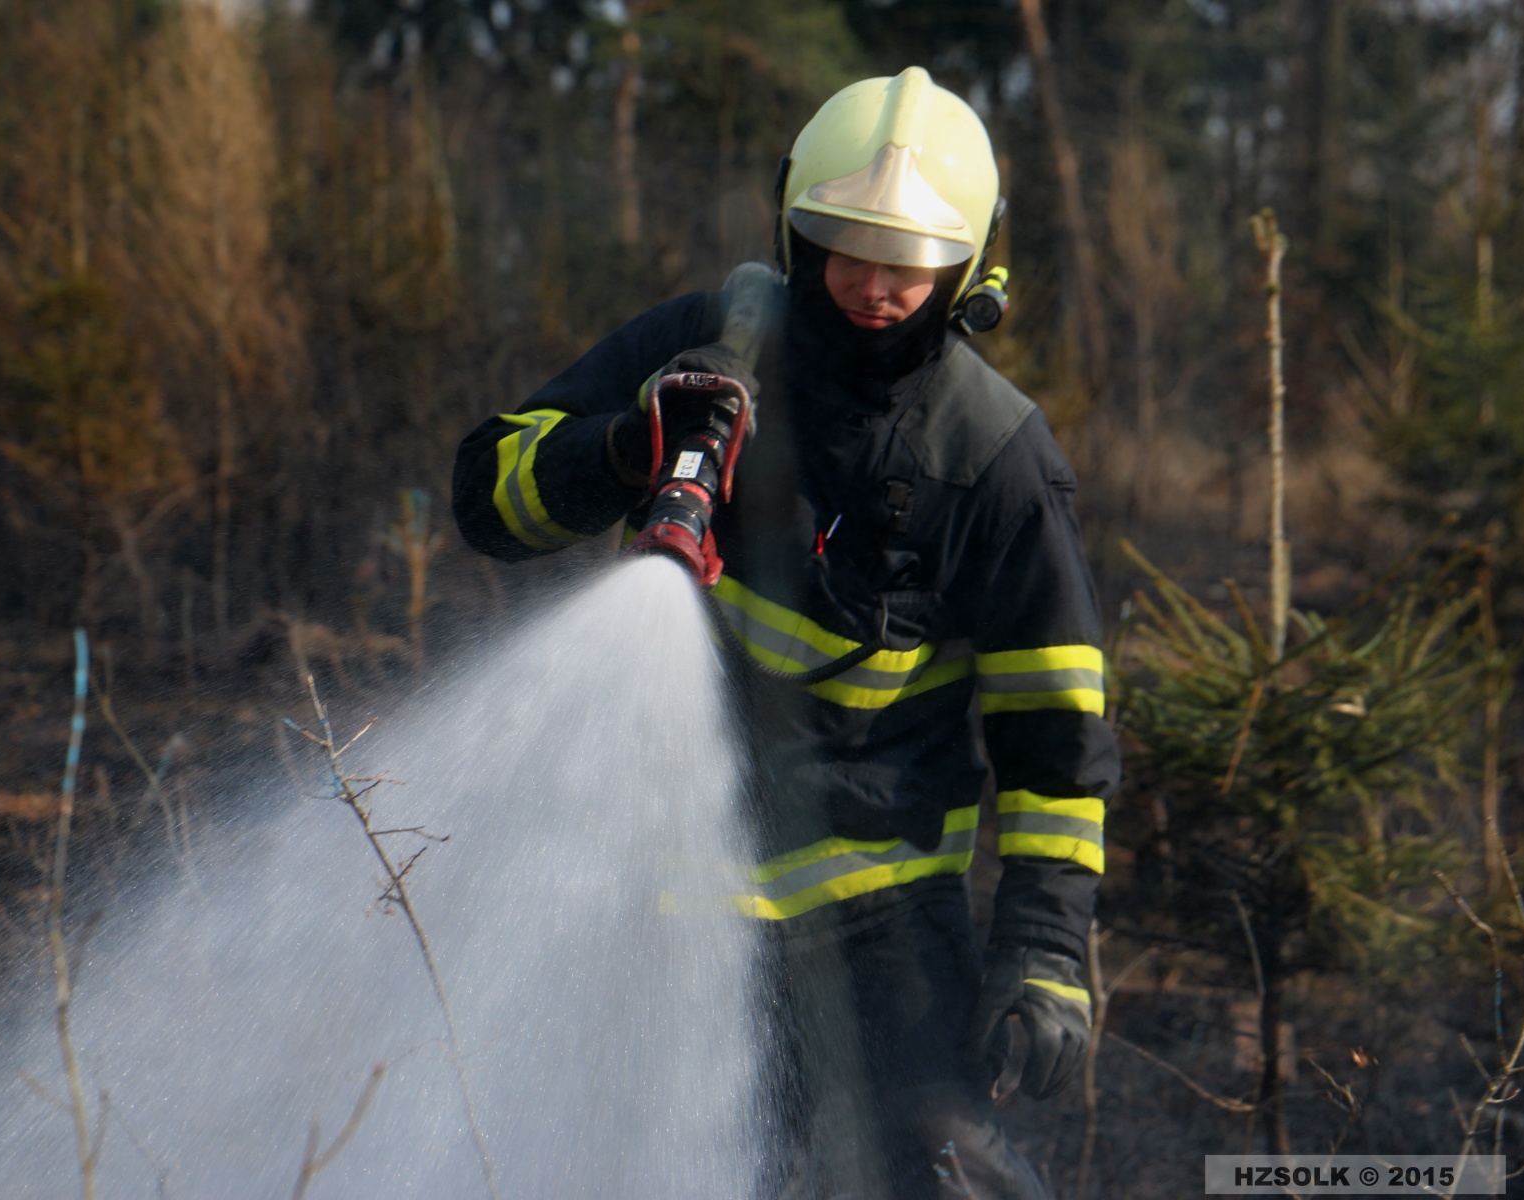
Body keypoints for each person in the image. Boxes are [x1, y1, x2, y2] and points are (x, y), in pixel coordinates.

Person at [452, 67, 1118, 1200]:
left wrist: (1045, 952)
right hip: (664, 905)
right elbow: (489, 499)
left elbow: (1055, 740)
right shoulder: (707, 345)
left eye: (910, 261)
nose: (873, 285)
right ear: (792, 229)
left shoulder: (994, 457)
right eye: (844, 247)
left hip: (884, 925)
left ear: (972, 267)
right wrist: (623, 448)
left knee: (944, 1175)